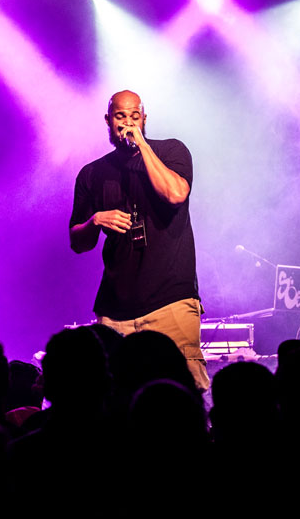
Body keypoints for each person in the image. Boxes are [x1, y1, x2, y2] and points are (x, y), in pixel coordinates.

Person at [69, 90, 209, 391]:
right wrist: (96, 220)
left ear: (144, 119)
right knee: (117, 397)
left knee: (183, 392)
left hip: (170, 301)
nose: (128, 123)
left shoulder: (171, 151)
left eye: (135, 116)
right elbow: (77, 241)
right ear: (109, 120)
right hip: (115, 309)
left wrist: (142, 145)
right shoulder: (91, 173)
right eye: (121, 116)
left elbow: (175, 194)